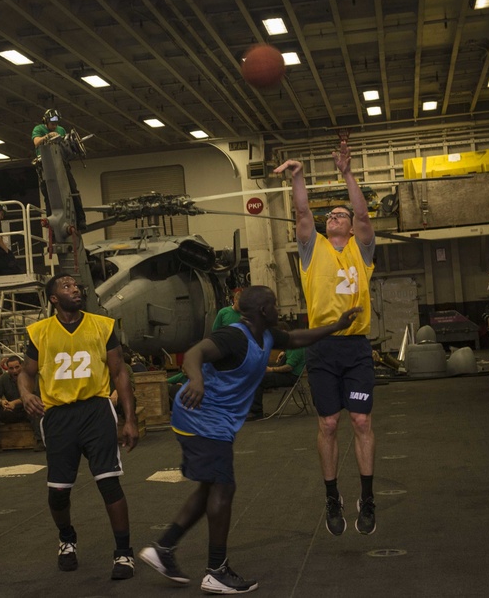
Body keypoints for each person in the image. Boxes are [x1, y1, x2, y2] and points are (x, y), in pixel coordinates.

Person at [138, 286, 359, 594]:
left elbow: (296, 338)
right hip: (201, 419)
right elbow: (193, 354)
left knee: (210, 488)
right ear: (262, 311)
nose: (278, 309)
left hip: (216, 422)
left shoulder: (267, 335)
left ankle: (163, 548)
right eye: (274, 304)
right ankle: (216, 570)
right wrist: (197, 379)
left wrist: (335, 326)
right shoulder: (235, 335)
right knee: (223, 488)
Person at [275, 139, 378, 537]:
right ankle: (332, 495)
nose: (334, 217)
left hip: (355, 346)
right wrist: (298, 177)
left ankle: (367, 498)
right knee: (330, 424)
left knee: (361, 419)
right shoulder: (310, 248)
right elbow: (302, 210)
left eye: (340, 214)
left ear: (350, 226)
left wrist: (348, 173)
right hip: (322, 347)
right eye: (330, 214)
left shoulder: (362, 250)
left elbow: (364, 213)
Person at [19, 272, 139, 581]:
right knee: (58, 491)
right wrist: (25, 393)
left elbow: (120, 373)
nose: (76, 289)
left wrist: (130, 419)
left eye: (77, 285)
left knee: (109, 482)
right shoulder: (39, 332)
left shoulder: (102, 326)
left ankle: (124, 552)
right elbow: (26, 373)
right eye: (67, 286)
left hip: (96, 411)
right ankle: (67, 538)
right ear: (54, 298)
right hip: (58, 416)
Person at [32, 108, 87, 231]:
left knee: (73, 190)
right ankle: (53, 225)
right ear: (46, 121)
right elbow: (36, 142)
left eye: (56, 123)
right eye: (52, 123)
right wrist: (47, 136)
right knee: (49, 195)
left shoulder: (61, 130)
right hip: (46, 166)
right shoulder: (39, 129)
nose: (54, 126)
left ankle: (81, 219)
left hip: (61, 164)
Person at [0, 355, 44, 454]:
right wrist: (1, 402)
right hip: (11, 411)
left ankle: (40, 441)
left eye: (17, 367)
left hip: (27, 409)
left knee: (36, 406)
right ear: (7, 369)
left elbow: (35, 395)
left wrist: (15, 403)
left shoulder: (31, 376)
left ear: (21, 366)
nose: (14, 371)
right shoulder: (4, 378)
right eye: (11, 368)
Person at [247, 344, 306, 421]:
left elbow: (289, 367)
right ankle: (252, 409)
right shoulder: (294, 347)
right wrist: (284, 354)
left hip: (290, 377)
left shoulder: (295, 348)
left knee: (257, 379)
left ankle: (256, 412)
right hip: (289, 375)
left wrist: (271, 369)